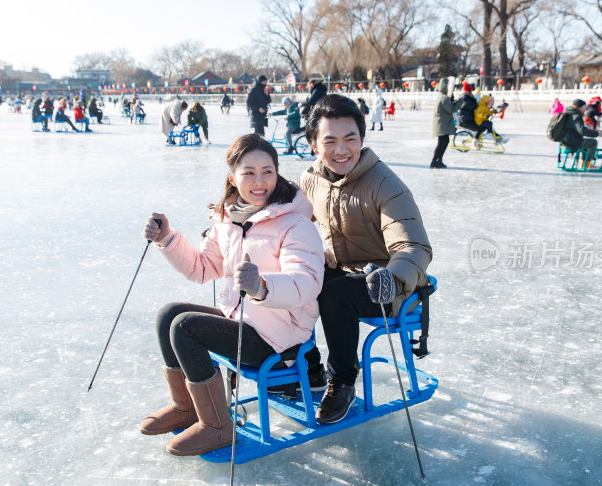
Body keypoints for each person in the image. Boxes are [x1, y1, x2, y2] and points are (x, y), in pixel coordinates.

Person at [139, 133, 325, 456]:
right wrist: (167, 238)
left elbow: (306, 282)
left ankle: (218, 426)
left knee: (186, 327)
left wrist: (262, 286)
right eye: (248, 172)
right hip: (240, 320)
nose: (259, 181)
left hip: (278, 335)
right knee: (169, 315)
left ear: (277, 173)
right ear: (232, 177)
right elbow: (201, 268)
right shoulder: (228, 221)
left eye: (267, 171)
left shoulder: (295, 223)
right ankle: (186, 407)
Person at [297, 94, 432, 425]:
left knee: (337, 294)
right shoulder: (310, 180)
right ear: (314, 144)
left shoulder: (385, 184)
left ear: (362, 139)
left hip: (389, 288)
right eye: (330, 141)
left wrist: (394, 278)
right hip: (342, 273)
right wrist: (235, 222)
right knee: (298, 276)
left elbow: (414, 245)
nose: (341, 150)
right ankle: (305, 365)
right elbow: (282, 220)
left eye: (349, 139)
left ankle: (342, 381)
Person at [562, 99, 602, 168]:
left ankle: (584, 163)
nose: (586, 109)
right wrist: (597, 134)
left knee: (585, 142)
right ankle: (587, 164)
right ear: (580, 107)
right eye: (585, 107)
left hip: (564, 141)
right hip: (572, 142)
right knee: (593, 142)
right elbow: (582, 130)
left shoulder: (567, 113)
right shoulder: (576, 116)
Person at [430, 77, 459, 169]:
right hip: (442, 124)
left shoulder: (443, 97)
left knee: (444, 141)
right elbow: (451, 109)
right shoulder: (443, 98)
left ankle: (438, 160)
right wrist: (460, 102)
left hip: (442, 123)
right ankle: (435, 161)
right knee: (442, 142)